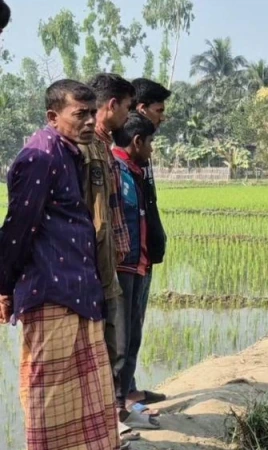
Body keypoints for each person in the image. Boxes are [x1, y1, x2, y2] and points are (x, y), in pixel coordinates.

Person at [0, 80, 120, 449]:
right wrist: (3, 287)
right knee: (51, 402)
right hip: (52, 293)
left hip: (79, 291)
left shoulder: (70, 153)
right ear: (53, 117)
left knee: (87, 399)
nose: (89, 121)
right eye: (79, 114)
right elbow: (18, 229)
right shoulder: (41, 157)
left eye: (91, 113)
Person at [81, 74, 142, 439]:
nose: (129, 114)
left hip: (111, 260)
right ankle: (104, 423)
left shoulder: (102, 147)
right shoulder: (85, 149)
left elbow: (113, 207)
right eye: (128, 106)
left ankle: (110, 418)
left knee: (112, 341)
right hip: (96, 264)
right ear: (112, 105)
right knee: (103, 344)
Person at [111, 112, 162, 431]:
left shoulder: (136, 171)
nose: (152, 151)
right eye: (151, 144)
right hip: (122, 265)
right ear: (137, 141)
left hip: (138, 262)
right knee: (119, 339)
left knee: (132, 336)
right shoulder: (115, 170)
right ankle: (116, 409)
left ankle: (125, 404)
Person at [126, 78, 170, 410]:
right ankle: (124, 394)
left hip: (144, 253)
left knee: (135, 323)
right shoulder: (126, 154)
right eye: (159, 110)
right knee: (126, 326)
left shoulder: (142, 154)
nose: (162, 116)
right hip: (129, 257)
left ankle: (130, 388)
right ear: (141, 110)